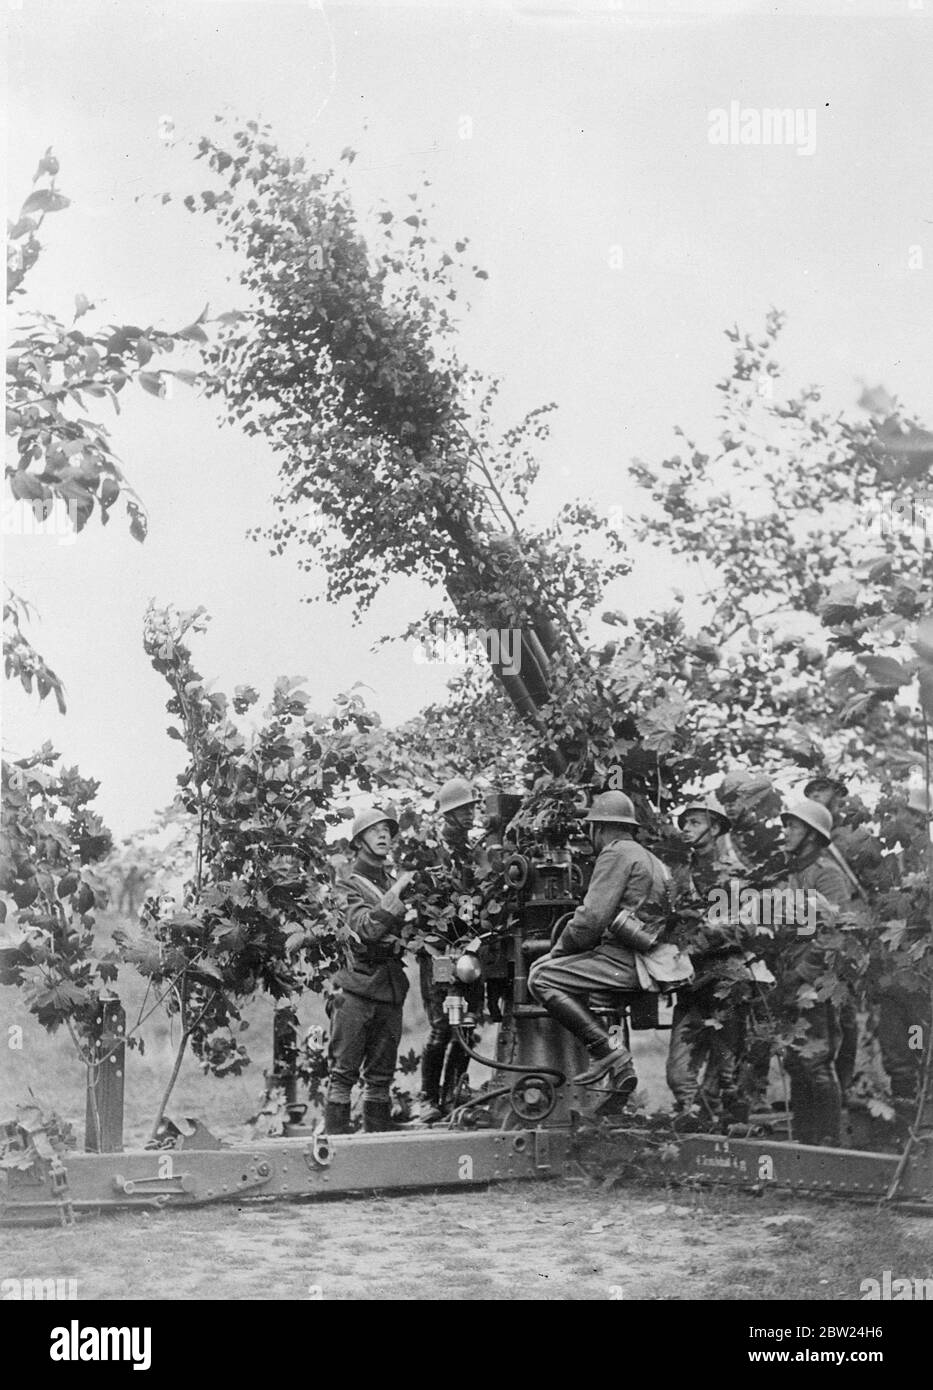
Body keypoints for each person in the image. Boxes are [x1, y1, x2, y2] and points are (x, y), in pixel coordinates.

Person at [527, 791, 671, 1099]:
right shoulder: (654, 860)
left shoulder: (615, 853)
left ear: (598, 828)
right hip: (650, 963)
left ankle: (609, 1053)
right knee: (604, 1001)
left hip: (622, 962)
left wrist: (556, 953)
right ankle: (621, 1077)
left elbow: (589, 921)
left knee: (542, 977)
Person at [323, 804, 415, 1135]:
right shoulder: (347, 885)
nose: (384, 835)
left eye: (388, 831)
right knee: (343, 1075)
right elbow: (365, 929)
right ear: (359, 841)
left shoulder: (394, 882)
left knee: (380, 1079)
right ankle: (335, 1161)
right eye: (375, 831)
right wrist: (397, 893)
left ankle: (378, 1159)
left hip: (389, 990)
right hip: (357, 989)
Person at [666, 797, 750, 1131]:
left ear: (715, 828)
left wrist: (697, 941)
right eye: (684, 823)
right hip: (690, 984)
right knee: (677, 1073)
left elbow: (741, 926)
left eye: (695, 823)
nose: (686, 829)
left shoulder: (734, 874)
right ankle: (695, 1122)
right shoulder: (680, 874)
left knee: (726, 1076)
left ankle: (720, 1141)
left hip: (726, 982)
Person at [774, 797, 851, 1145]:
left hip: (815, 983)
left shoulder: (828, 876)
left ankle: (829, 1147)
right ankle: (806, 1146)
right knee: (795, 1061)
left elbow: (833, 934)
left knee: (816, 1061)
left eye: (793, 826)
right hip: (788, 980)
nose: (785, 831)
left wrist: (803, 973)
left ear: (811, 834)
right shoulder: (788, 875)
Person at [415, 777, 483, 1123]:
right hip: (439, 953)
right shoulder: (429, 853)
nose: (470, 815)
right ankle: (427, 1097)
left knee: (468, 1025)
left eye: (472, 807)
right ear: (448, 815)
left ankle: (454, 1092)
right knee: (443, 1024)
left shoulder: (473, 854)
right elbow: (421, 907)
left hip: (470, 952)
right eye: (463, 810)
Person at [873, 785, 932, 1107]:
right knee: (895, 1050)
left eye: (907, 815)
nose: (900, 821)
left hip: (924, 976)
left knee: (920, 1042)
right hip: (893, 975)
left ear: (920, 820)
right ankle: (905, 1117)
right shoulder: (891, 864)